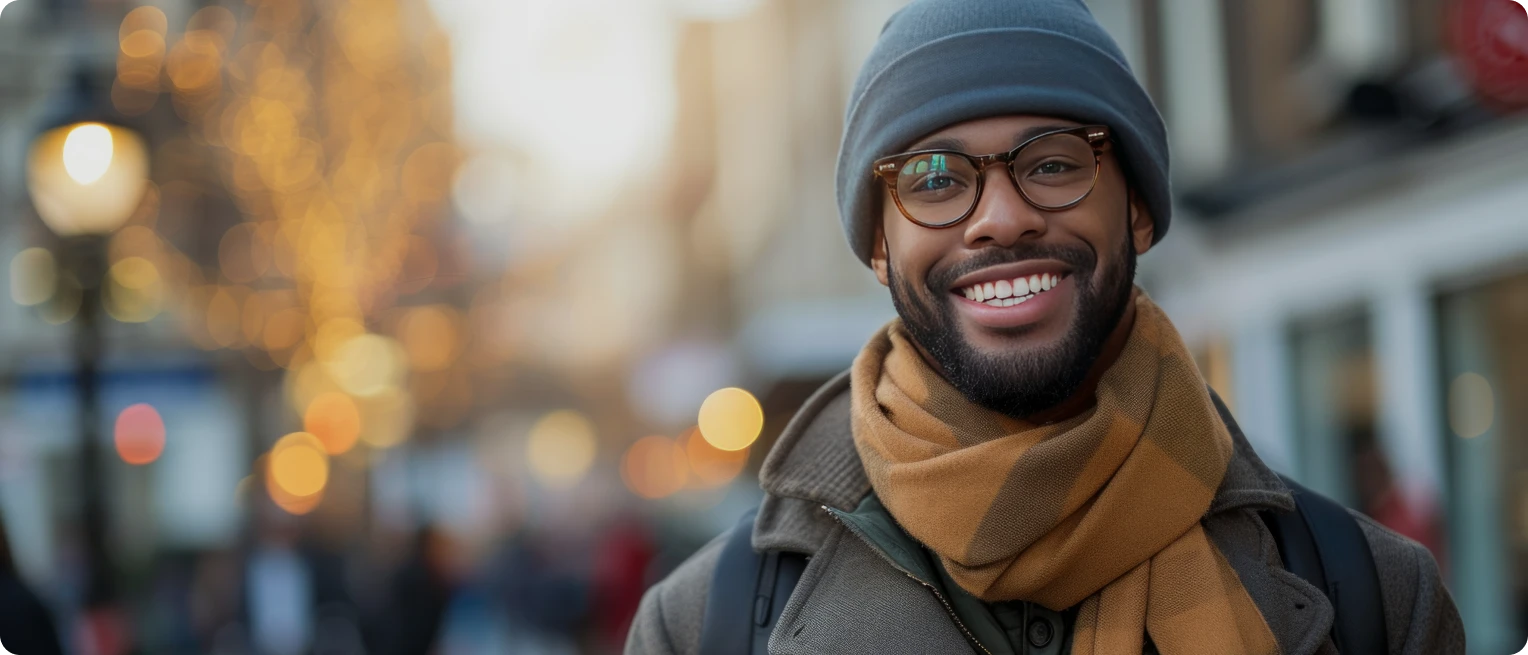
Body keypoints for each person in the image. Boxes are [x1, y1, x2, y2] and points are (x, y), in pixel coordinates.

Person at [626, 0, 1464, 653]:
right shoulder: (706, 624)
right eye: (934, 177)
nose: (999, 217)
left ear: (1135, 209)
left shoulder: (1375, 596)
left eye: (1055, 162)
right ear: (880, 246)